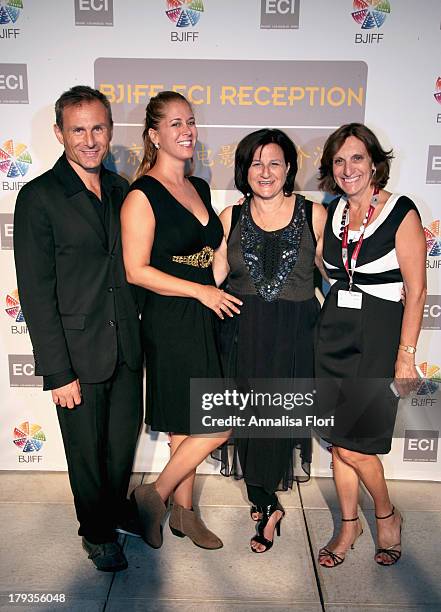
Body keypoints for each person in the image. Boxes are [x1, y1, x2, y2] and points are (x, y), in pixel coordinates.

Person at [13, 86, 144, 571]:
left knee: (119, 445)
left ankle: (112, 509)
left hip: (126, 348)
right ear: (59, 133)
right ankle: (95, 532)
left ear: (110, 130)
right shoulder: (40, 197)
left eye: (98, 128)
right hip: (76, 352)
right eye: (78, 129)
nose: (90, 140)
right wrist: (57, 371)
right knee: (87, 452)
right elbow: (36, 292)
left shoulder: (121, 190)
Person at [121, 91, 241, 550]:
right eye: (174, 123)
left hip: (206, 313)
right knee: (215, 423)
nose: (187, 130)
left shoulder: (200, 188)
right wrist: (200, 291)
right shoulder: (141, 195)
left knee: (187, 426)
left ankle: (183, 516)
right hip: (171, 317)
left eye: (190, 121)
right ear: (154, 135)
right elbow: (137, 270)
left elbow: (210, 256)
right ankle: (153, 495)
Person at [315, 123, 426, 567]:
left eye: (357, 158)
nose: (348, 168)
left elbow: (416, 291)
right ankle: (348, 526)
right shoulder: (333, 212)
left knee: (356, 445)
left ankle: (385, 514)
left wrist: (406, 355)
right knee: (338, 441)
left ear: (375, 163)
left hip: (379, 340)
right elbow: (330, 275)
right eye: (339, 161)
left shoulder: (401, 212)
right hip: (333, 336)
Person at [213, 128, 327, 553]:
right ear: (245, 170)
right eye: (256, 163)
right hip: (242, 332)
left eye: (275, 162)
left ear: (289, 169)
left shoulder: (314, 214)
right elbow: (213, 277)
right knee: (248, 419)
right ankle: (265, 503)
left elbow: (336, 271)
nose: (265, 171)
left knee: (277, 420)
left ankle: (264, 504)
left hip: (295, 333)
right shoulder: (231, 216)